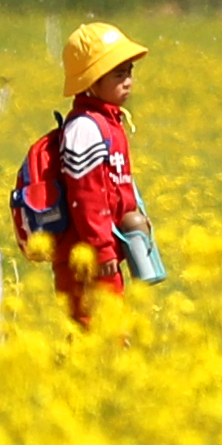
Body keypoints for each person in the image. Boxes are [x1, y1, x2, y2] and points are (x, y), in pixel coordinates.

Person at [51, 22, 152, 329]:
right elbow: (86, 195)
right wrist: (100, 246)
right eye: (118, 74)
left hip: (105, 253)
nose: (128, 82)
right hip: (87, 257)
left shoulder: (109, 123)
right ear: (91, 81)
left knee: (111, 332)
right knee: (94, 332)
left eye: (129, 72)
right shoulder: (85, 127)